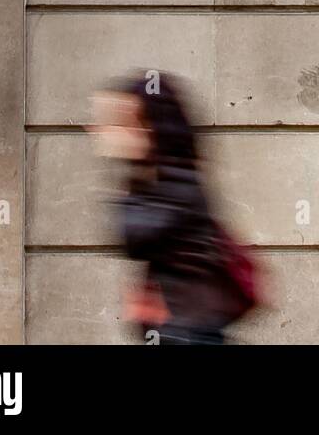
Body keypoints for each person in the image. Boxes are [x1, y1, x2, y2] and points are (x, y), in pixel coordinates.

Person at [91, 72, 258, 345]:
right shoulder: (163, 179)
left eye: (124, 123)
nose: (107, 131)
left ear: (151, 127)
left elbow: (132, 236)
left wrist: (126, 161)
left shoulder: (177, 181)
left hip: (189, 335)